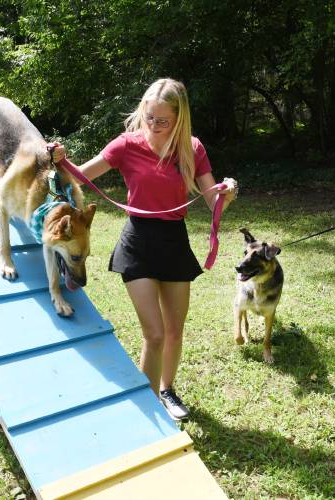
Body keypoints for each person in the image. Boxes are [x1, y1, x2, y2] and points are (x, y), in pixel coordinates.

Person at [52, 78, 237, 420]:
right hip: (137, 243)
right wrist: (61, 161)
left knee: (174, 331)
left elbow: (213, 201)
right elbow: (79, 175)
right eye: (149, 117)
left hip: (174, 243)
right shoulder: (127, 144)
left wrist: (227, 193)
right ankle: (148, 409)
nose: (153, 125)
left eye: (163, 121)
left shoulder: (192, 149)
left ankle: (167, 390)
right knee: (154, 333)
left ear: (179, 120)